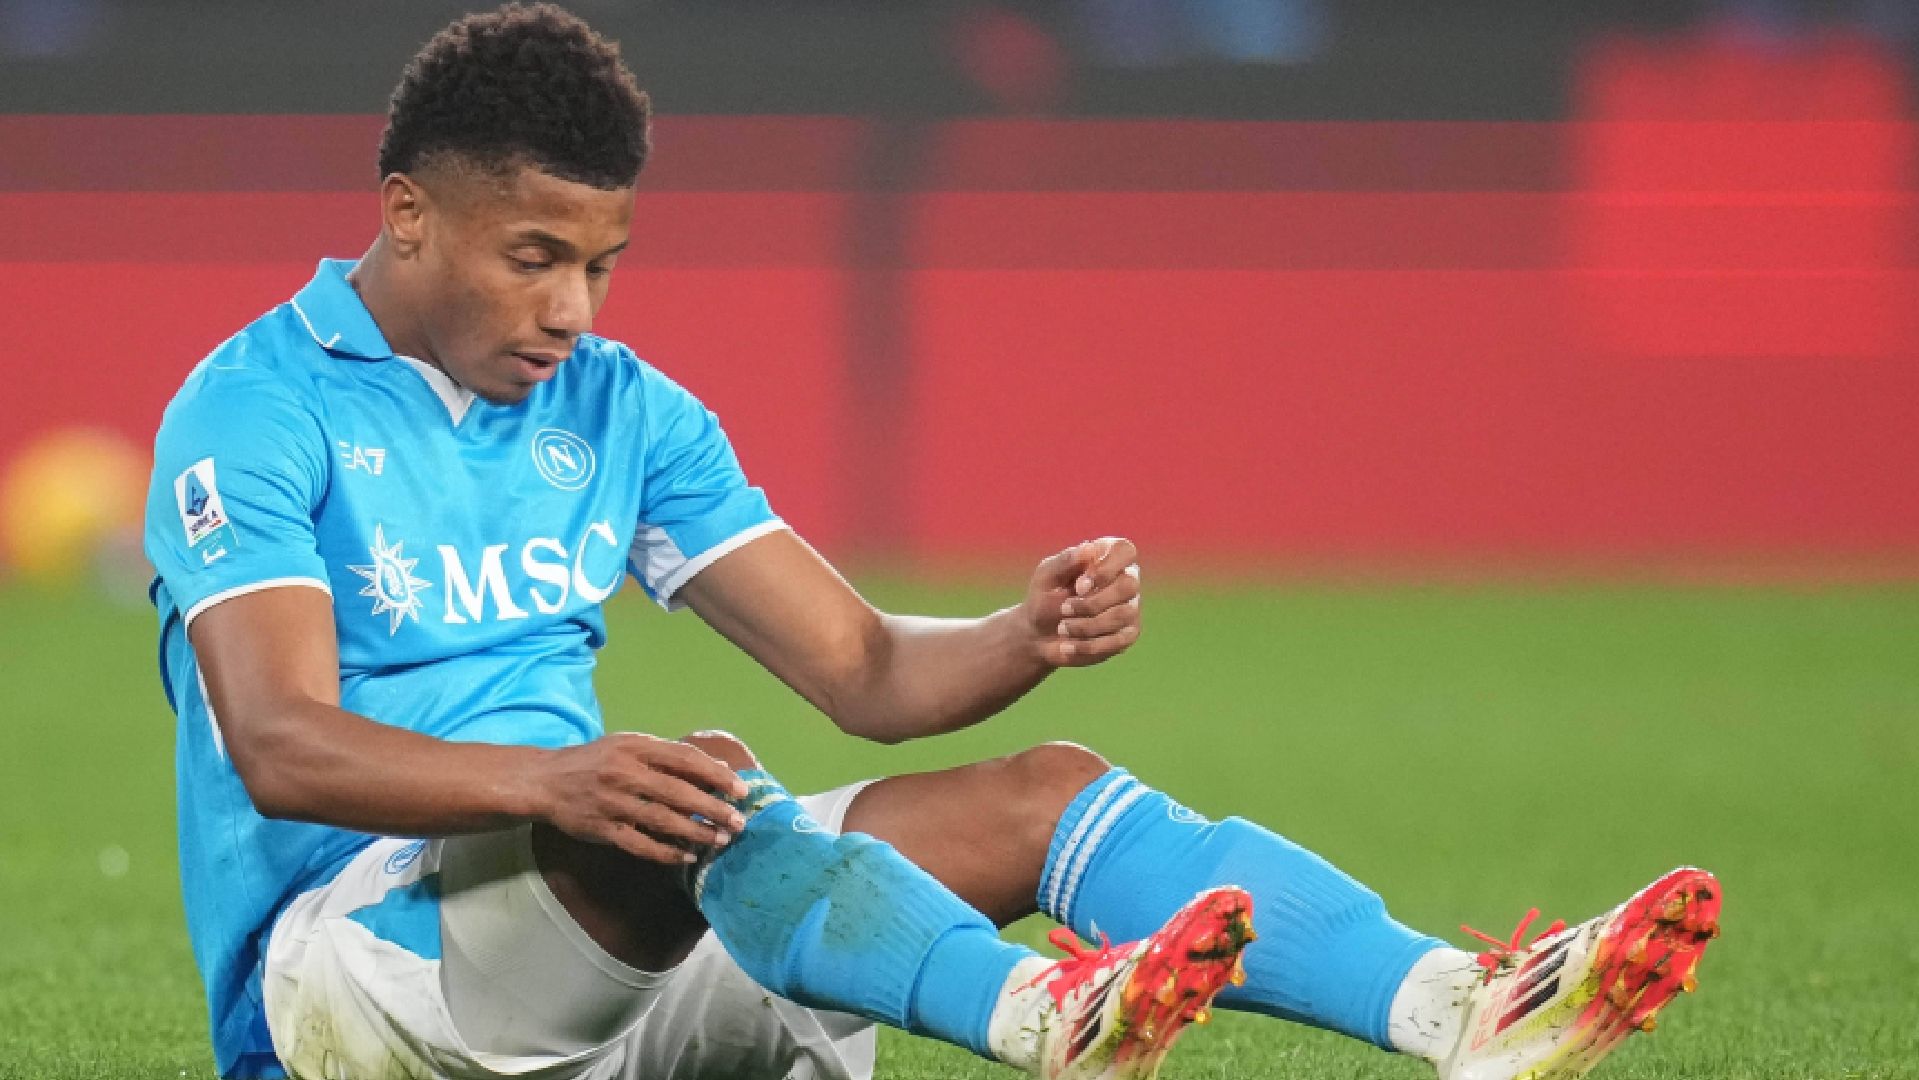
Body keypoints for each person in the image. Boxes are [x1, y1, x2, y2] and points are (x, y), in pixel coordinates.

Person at [142, 6, 1721, 1080]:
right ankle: (1039, 1016)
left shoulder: (620, 409)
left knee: (1044, 793)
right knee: (693, 795)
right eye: (533, 256)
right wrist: (558, 783)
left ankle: (1464, 1008)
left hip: (616, 926)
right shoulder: (256, 406)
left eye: (602, 264)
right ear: (407, 214)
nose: (571, 308)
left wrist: (1019, 639)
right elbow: (280, 744)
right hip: (351, 976)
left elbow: (866, 672)